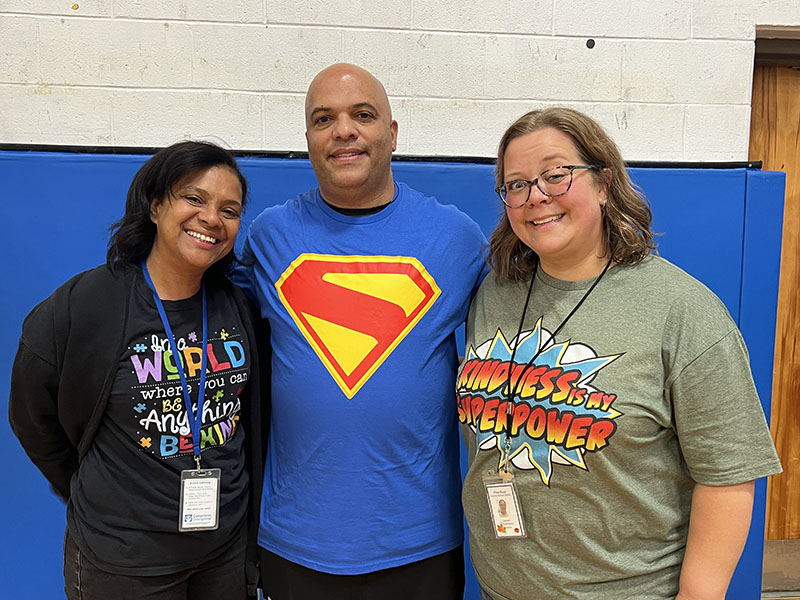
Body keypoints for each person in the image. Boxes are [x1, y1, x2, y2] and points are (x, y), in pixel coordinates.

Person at [457, 107, 782, 600]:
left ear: (604, 183)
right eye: (516, 185)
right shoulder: (494, 294)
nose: (535, 196)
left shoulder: (683, 310)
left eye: (555, 174)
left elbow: (729, 476)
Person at [233, 63, 488, 599]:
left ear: (392, 134)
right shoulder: (269, 235)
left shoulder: (457, 238)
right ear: (308, 140)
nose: (343, 130)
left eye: (362, 115)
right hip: (293, 541)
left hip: (418, 544)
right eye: (323, 119)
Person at [9, 141, 269, 600]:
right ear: (154, 205)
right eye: (194, 198)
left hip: (224, 551)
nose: (211, 218)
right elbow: (32, 417)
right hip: (124, 562)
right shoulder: (85, 306)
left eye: (229, 210)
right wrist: (84, 482)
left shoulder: (238, 306)